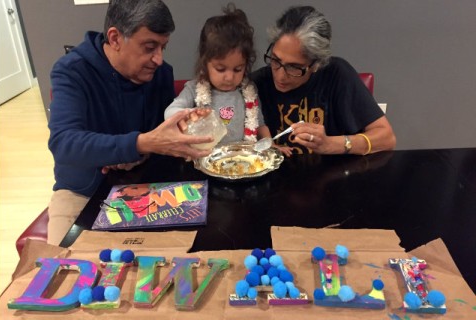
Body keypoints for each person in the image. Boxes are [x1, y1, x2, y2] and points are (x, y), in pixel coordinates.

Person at [47, 0, 213, 246]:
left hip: (150, 191)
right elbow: (63, 143)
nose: (158, 59)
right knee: (60, 274)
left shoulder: (161, 74)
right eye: (149, 47)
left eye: (163, 47)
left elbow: (161, 143)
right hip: (82, 193)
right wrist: (139, 143)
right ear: (114, 38)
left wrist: (178, 133)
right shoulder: (72, 71)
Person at [251, 6, 396, 156]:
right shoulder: (255, 85)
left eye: (294, 67)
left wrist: (330, 144)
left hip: (333, 175)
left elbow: (387, 139)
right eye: (275, 60)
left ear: (316, 65)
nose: (280, 76)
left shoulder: (337, 75)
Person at [164, 4, 270, 145]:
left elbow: (260, 124)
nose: (229, 77)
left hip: (241, 160)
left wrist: (270, 144)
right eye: (220, 69)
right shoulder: (193, 88)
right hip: (205, 160)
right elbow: (170, 112)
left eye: (238, 69)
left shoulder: (248, 91)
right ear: (205, 62)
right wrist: (188, 114)